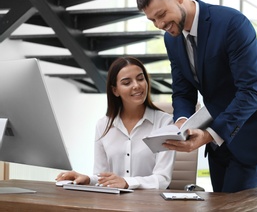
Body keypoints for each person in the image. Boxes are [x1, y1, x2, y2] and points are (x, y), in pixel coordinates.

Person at [136, 0, 257, 193]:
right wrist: (181, 121)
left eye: (161, 14)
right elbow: (182, 90)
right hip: (216, 140)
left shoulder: (231, 24)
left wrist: (210, 134)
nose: (160, 24)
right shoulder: (171, 38)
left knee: (232, 207)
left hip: (250, 131)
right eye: (152, 20)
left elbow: (251, 92)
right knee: (218, 203)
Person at [56, 57, 175, 190]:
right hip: (114, 204)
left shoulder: (165, 123)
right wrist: (88, 179)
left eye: (140, 79)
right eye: (126, 82)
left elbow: (163, 179)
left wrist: (126, 182)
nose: (137, 85)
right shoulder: (103, 126)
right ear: (115, 90)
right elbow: (103, 177)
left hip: (150, 204)